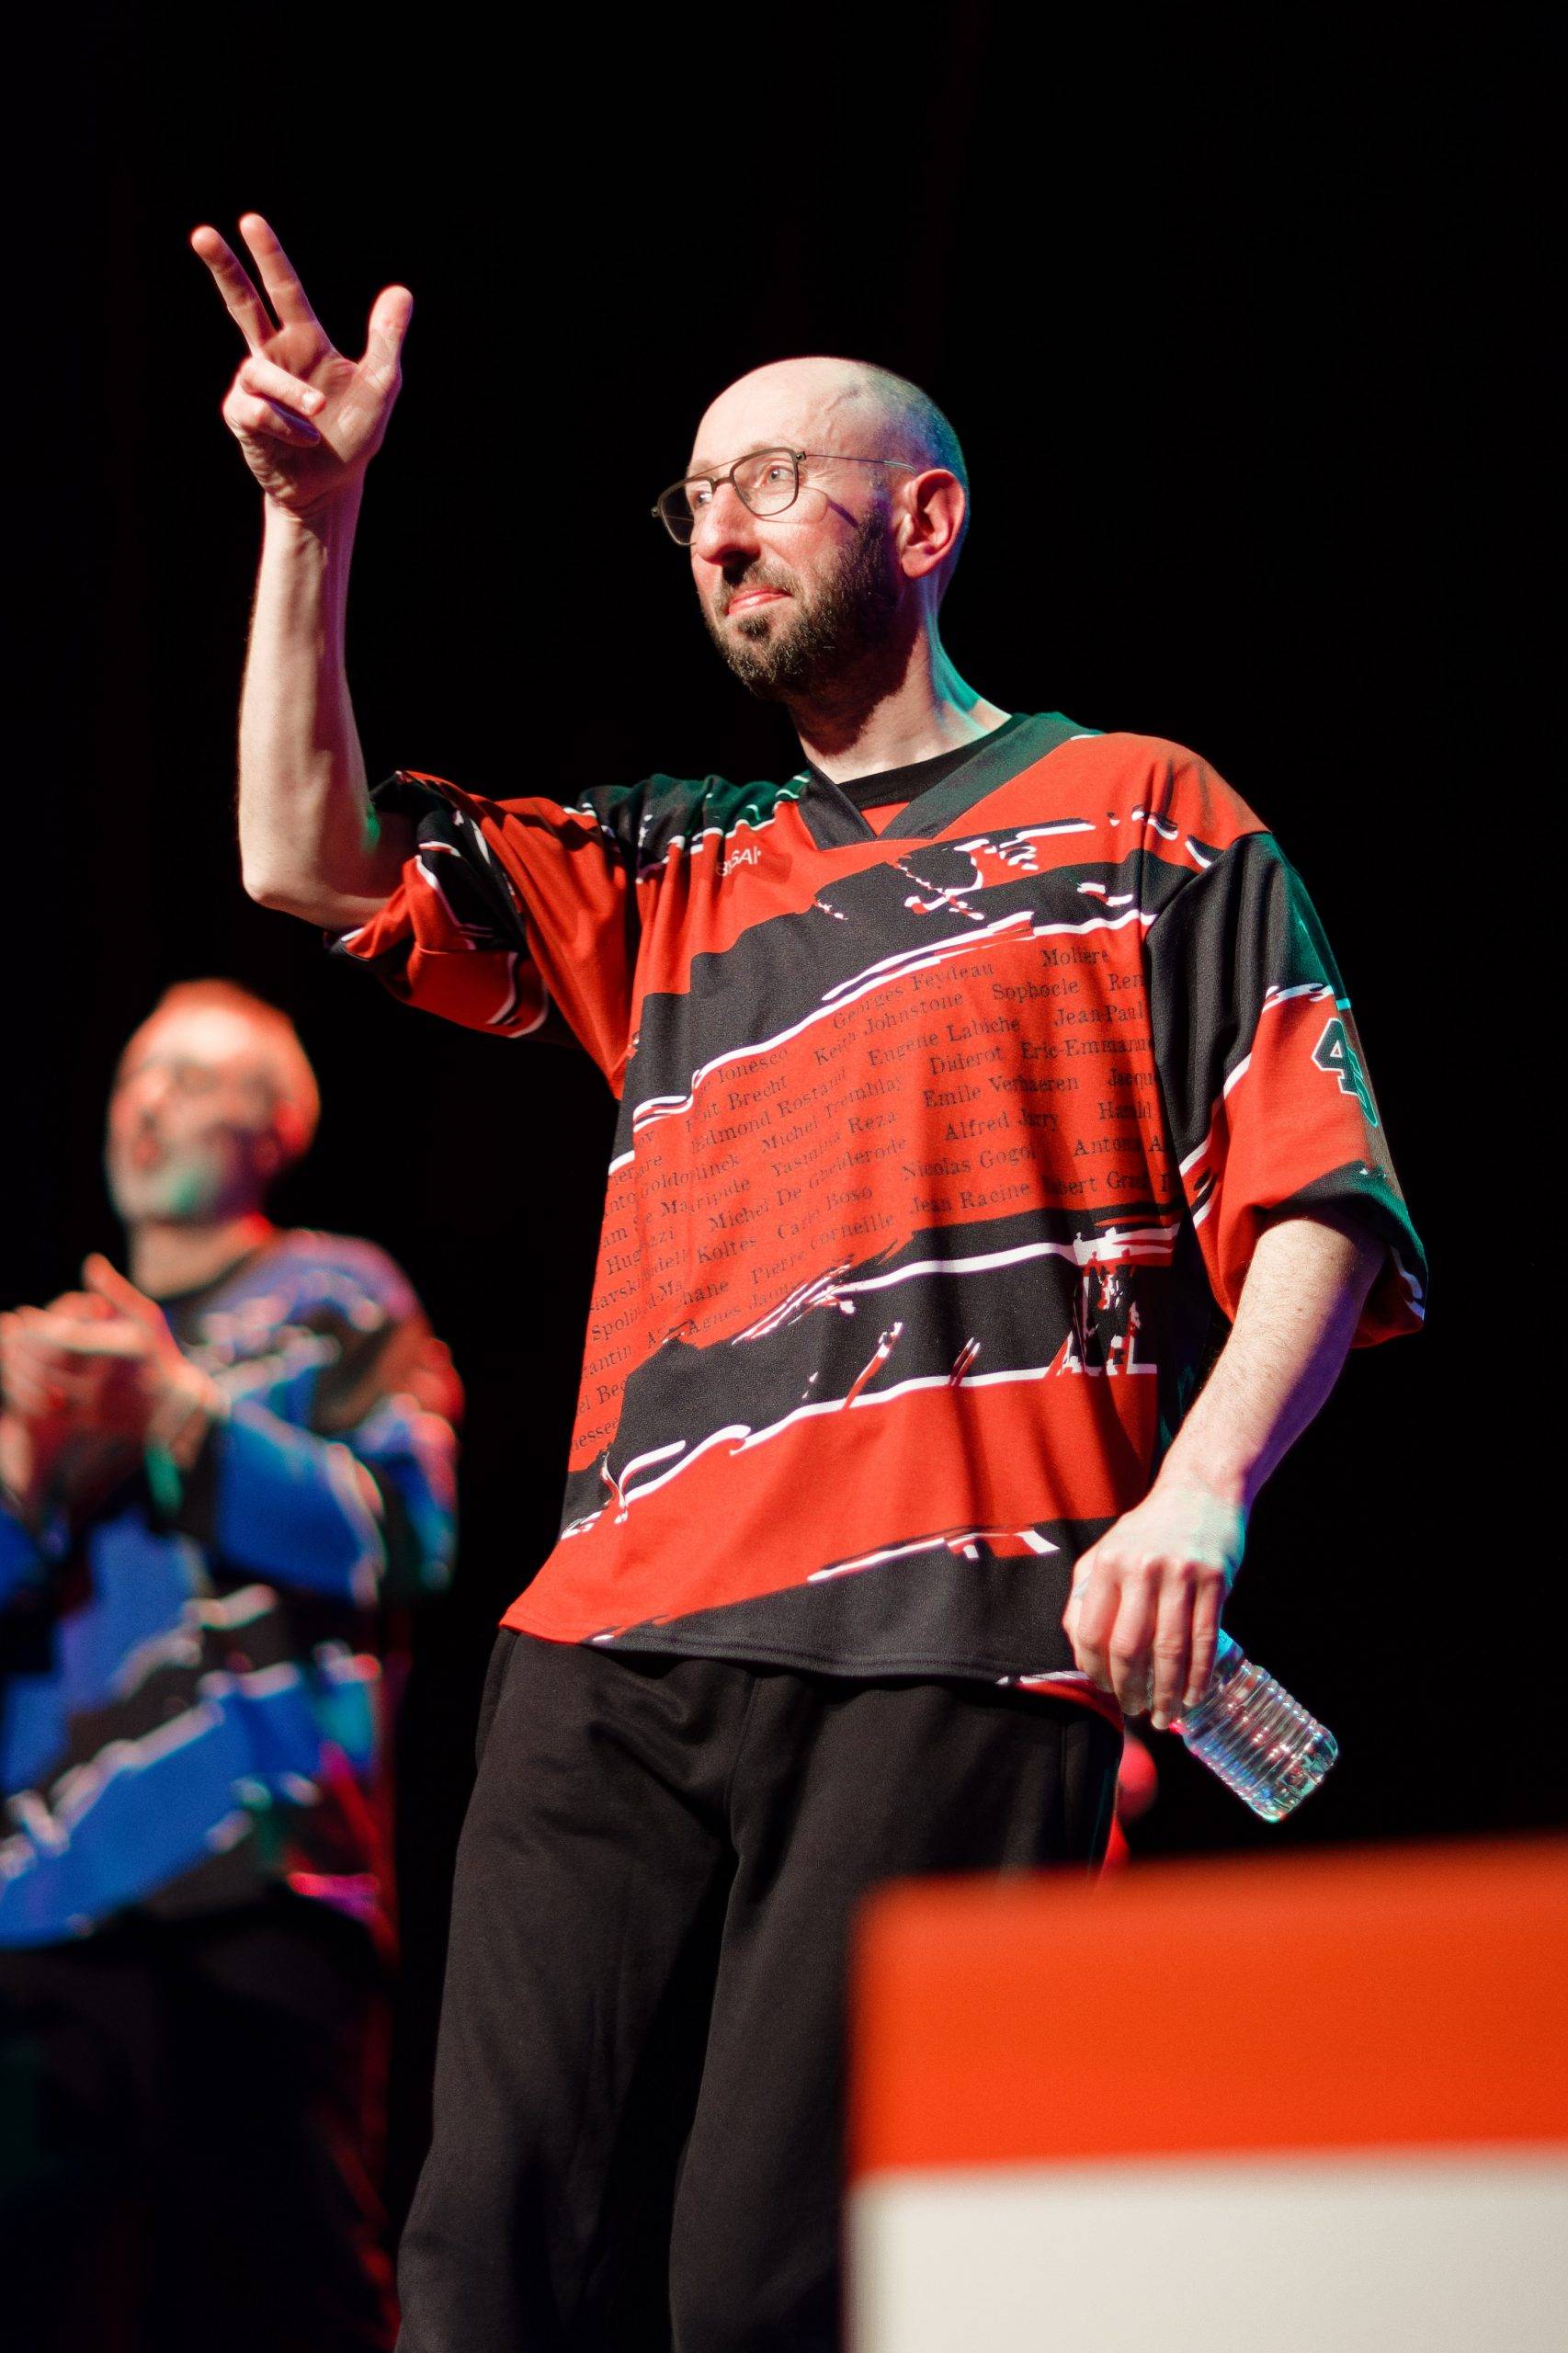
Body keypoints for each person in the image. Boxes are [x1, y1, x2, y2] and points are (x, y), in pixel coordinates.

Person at [193, 212, 1426, 2353]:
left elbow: (1320, 1195)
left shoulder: (1136, 814)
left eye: (769, 482)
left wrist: (1203, 1493)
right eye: (692, 501)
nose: (716, 532)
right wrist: (317, 524)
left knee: (770, 2280)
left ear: (923, 516)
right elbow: (310, 857)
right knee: (479, 2261)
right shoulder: (672, 863)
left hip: (951, 1643)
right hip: (603, 1643)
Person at [0, 979, 459, 2353]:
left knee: (282, 2297)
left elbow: (402, 1539)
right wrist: (24, 1468)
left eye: (192, 1081)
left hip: (261, 1880)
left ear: (275, 1131)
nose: (147, 1105)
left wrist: (179, 1411)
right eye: (136, 1078)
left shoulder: (335, 1295)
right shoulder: (42, 1360)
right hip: (43, 1900)